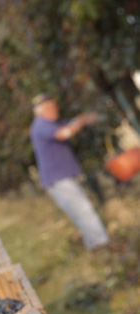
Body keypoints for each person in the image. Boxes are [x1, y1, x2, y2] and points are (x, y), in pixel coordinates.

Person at [30, 93, 110, 251]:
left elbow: (69, 125)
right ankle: (102, 245)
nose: (57, 109)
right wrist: (80, 122)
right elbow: (64, 133)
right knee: (83, 209)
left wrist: (83, 120)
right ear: (44, 109)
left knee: (79, 212)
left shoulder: (51, 124)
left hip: (59, 179)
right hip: (58, 179)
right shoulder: (41, 124)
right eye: (53, 107)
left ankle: (95, 246)